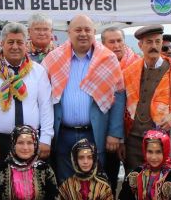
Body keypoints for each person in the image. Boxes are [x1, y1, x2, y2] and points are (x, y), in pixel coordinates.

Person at [43, 14, 125, 181]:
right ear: (69, 33)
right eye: (78, 30)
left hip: (94, 134)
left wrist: (115, 133)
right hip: (63, 134)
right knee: (66, 186)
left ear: (94, 32)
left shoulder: (108, 59)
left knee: (95, 184)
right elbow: (43, 97)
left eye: (87, 30)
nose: (83, 34)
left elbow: (119, 95)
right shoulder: (53, 59)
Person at [0, 22, 54, 161]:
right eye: (10, 42)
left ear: (26, 44)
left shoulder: (38, 70)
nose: (15, 47)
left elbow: (46, 106)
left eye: (19, 42)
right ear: (2, 44)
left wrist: (46, 138)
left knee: (32, 182)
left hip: (31, 141)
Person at [122, 24, 171, 172]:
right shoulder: (130, 71)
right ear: (140, 45)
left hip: (162, 141)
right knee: (134, 185)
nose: (154, 46)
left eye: (157, 41)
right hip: (134, 140)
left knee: (161, 187)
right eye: (149, 42)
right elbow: (123, 107)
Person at [99, 24, 135, 188]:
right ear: (103, 45)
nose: (116, 45)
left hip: (133, 132)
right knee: (107, 177)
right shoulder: (97, 67)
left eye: (119, 40)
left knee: (132, 177)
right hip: (107, 133)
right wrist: (116, 134)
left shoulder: (136, 64)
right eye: (111, 42)